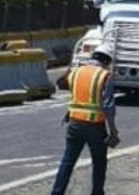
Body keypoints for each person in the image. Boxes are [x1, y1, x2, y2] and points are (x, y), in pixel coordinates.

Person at [51, 44, 120, 195]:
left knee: (68, 161)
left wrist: (71, 67)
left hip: (74, 123)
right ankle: (97, 192)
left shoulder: (77, 72)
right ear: (107, 61)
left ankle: (56, 192)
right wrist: (113, 131)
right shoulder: (104, 75)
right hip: (95, 125)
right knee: (99, 162)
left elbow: (61, 84)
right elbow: (108, 106)